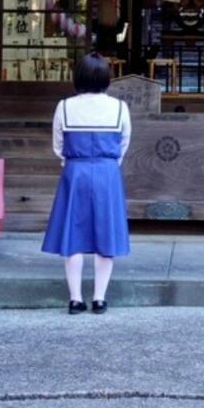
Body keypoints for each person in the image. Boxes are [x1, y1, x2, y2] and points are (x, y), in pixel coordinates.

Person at [41, 54, 131, 313]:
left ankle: (75, 298)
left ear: (77, 77)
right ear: (106, 78)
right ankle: (100, 298)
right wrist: (109, 162)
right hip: (107, 171)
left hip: (75, 171)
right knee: (106, 236)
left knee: (73, 235)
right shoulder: (119, 107)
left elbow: (58, 145)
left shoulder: (65, 106)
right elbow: (124, 142)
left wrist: (72, 161)